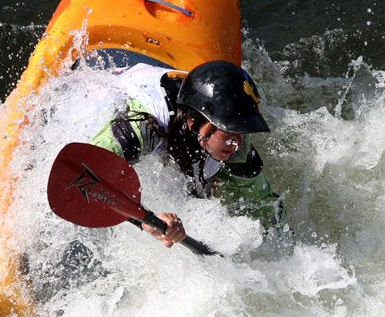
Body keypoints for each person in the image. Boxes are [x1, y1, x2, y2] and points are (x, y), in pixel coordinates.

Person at [90, 60, 288, 248]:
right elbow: (90, 174)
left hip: (187, 124)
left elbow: (265, 205)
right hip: (99, 91)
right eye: (229, 131)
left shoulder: (237, 146)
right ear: (194, 122)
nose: (237, 142)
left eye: (242, 130)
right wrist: (144, 219)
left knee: (208, 189)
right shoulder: (142, 127)